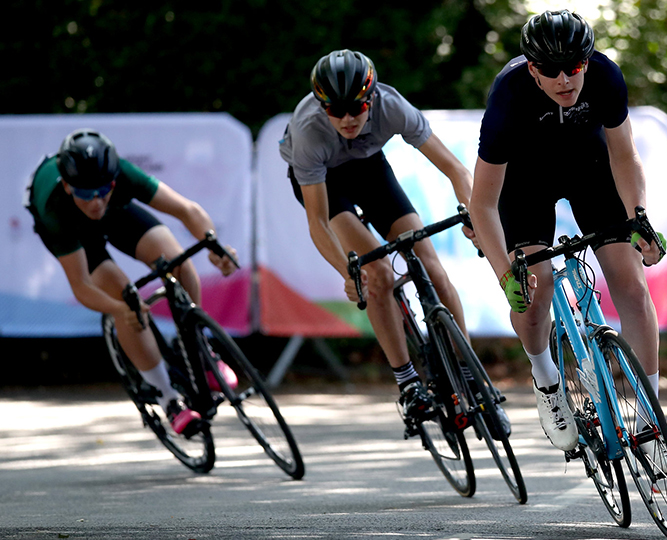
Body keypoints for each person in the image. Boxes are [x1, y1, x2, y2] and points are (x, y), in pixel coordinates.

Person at [470, 10, 667, 471]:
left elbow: (625, 156)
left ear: (587, 61)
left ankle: (651, 426)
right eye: (550, 70)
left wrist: (638, 219)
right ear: (532, 69)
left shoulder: (605, 75)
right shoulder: (509, 97)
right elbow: (483, 203)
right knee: (536, 287)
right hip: (526, 183)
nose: (565, 78)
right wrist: (506, 273)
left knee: (630, 284)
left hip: (591, 169)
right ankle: (546, 379)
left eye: (574, 66)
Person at [278, 49, 505, 433]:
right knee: (377, 273)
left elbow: (454, 168)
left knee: (429, 263)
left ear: (372, 98)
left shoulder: (392, 105)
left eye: (357, 108)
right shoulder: (308, 130)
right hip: (326, 185)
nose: (348, 119)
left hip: (369, 169)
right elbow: (317, 221)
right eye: (336, 110)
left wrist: (475, 216)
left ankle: (469, 371)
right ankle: (408, 383)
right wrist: (348, 273)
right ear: (322, 107)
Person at [25, 129, 239, 437]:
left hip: (119, 214)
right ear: (69, 188)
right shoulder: (54, 208)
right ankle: (169, 400)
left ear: (113, 179)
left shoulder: (120, 176)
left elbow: (187, 210)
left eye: (103, 190)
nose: (96, 201)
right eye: (86, 193)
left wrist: (216, 247)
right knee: (127, 304)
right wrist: (118, 308)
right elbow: (82, 284)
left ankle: (196, 344)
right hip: (77, 235)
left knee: (180, 263)